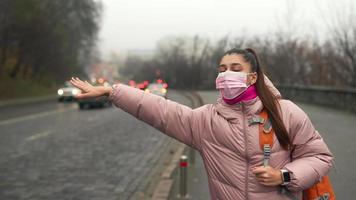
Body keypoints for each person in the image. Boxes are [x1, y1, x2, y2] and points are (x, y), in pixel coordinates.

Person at [70, 48, 334, 200]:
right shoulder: (206, 120)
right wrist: (111, 92)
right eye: (221, 68)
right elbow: (159, 110)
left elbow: (319, 156)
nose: (226, 74)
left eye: (234, 68)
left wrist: (284, 176)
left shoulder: (285, 112)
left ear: (252, 77)